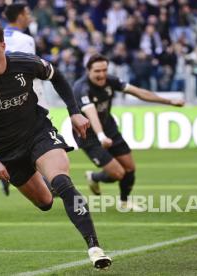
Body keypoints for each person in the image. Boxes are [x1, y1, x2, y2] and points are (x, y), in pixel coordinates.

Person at [0, 24, 111, 269]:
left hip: (38, 133)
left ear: (3, 46)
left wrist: (74, 112)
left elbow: (57, 76)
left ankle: (94, 247)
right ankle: (39, 172)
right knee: (45, 203)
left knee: (62, 182)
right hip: (5, 151)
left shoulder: (26, 63)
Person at [73, 54, 184, 211]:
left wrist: (169, 101)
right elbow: (91, 114)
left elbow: (138, 92)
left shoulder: (111, 81)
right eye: (97, 71)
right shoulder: (81, 89)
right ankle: (95, 177)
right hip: (88, 135)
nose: (102, 74)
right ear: (88, 71)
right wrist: (101, 136)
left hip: (109, 128)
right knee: (118, 173)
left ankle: (124, 202)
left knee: (130, 168)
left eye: (104, 70)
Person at [1, 3, 49, 195]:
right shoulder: (26, 39)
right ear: (20, 15)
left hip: (4, 94)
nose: (29, 16)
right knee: (41, 131)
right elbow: (32, 68)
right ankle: (46, 179)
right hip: (29, 92)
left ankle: (8, 168)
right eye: (27, 13)